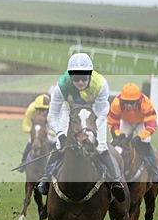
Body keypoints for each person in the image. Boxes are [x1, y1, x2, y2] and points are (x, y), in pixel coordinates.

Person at [36, 53, 125, 201]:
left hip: (94, 109)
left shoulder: (101, 84)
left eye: (84, 78)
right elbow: (52, 116)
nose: (80, 82)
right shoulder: (61, 86)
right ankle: (46, 178)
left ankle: (115, 181)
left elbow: (102, 114)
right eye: (76, 78)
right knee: (59, 145)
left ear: (90, 75)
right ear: (70, 76)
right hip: (68, 108)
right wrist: (60, 135)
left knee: (101, 146)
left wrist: (93, 135)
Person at [108, 82, 158, 183]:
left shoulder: (145, 103)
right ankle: (110, 170)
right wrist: (118, 134)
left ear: (138, 100)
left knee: (145, 141)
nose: (129, 105)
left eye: (132, 103)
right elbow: (112, 122)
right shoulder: (116, 103)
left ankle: (154, 172)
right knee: (114, 143)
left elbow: (151, 124)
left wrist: (139, 137)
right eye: (126, 102)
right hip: (126, 122)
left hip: (141, 122)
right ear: (122, 100)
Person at [16, 93, 55, 171]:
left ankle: (57, 162)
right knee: (31, 140)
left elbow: (55, 126)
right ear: (36, 108)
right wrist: (35, 131)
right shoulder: (31, 109)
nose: (42, 112)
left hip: (48, 127)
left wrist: (49, 131)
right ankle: (23, 162)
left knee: (54, 141)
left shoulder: (52, 111)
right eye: (40, 110)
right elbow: (25, 126)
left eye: (45, 110)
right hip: (35, 128)